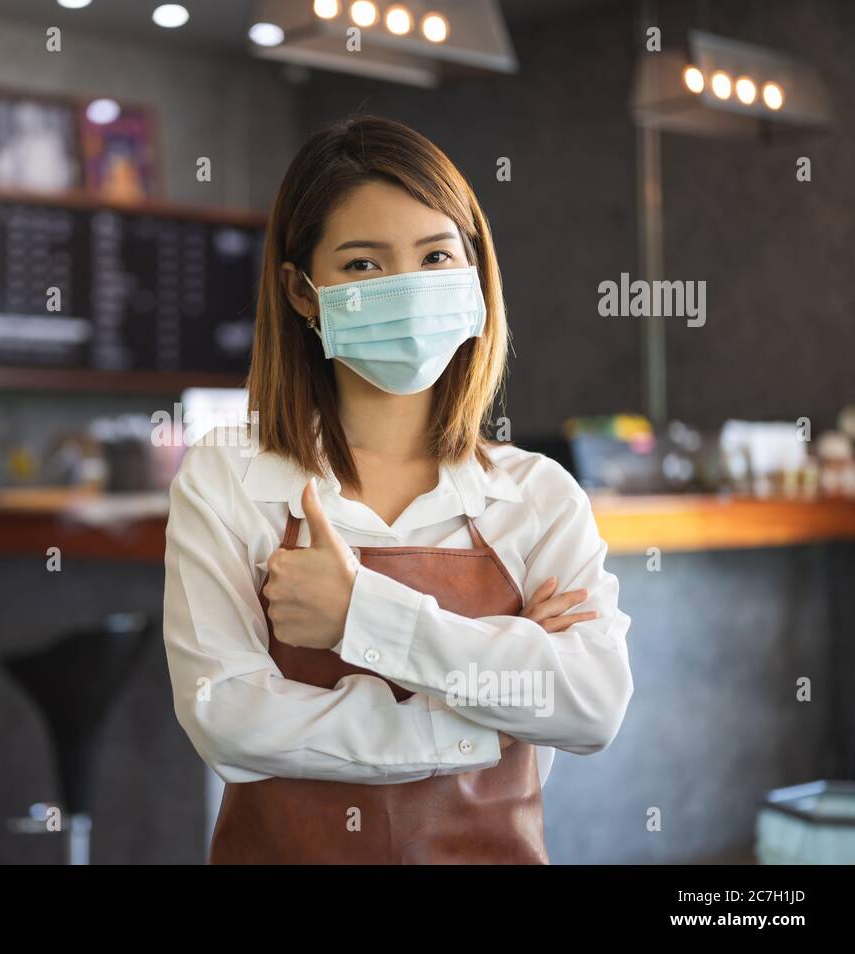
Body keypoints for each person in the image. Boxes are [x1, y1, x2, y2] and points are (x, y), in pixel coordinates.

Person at [162, 115, 634, 864]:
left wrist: (360, 613)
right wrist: (481, 714)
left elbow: (592, 705)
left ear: (476, 276)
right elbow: (227, 717)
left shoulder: (538, 497)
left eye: (436, 255)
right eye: (361, 265)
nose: (408, 289)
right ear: (302, 291)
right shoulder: (229, 479)